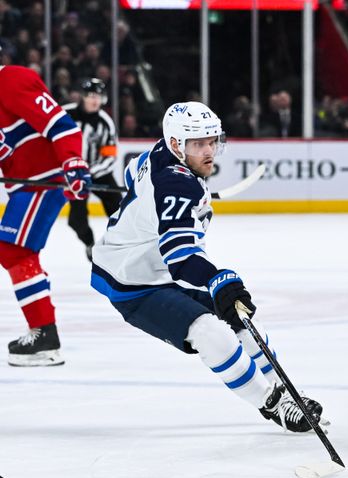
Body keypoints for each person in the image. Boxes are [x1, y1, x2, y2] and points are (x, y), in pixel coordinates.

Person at [90, 102, 323, 432]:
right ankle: (271, 403)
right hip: (132, 282)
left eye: (212, 141)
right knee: (209, 331)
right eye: (198, 144)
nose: (209, 151)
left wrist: (146, 198)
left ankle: (287, 394)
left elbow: (132, 172)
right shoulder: (178, 186)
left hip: (156, 269)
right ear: (176, 145)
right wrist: (218, 279)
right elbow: (180, 256)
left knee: (238, 316)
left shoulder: (160, 154)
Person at [0, 65, 92, 367]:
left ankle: (44, 335)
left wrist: (73, 162)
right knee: (17, 253)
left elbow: (62, 125)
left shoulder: (10, 79)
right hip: (26, 186)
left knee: (13, 251)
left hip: (43, 180)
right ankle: (43, 332)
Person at [63, 78, 120, 260]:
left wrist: (90, 172)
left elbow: (110, 156)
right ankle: (90, 244)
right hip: (73, 176)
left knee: (121, 212)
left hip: (98, 174)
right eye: (91, 96)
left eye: (99, 96)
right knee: (76, 220)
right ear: (83, 97)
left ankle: (119, 246)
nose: (95, 100)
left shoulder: (105, 122)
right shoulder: (65, 114)